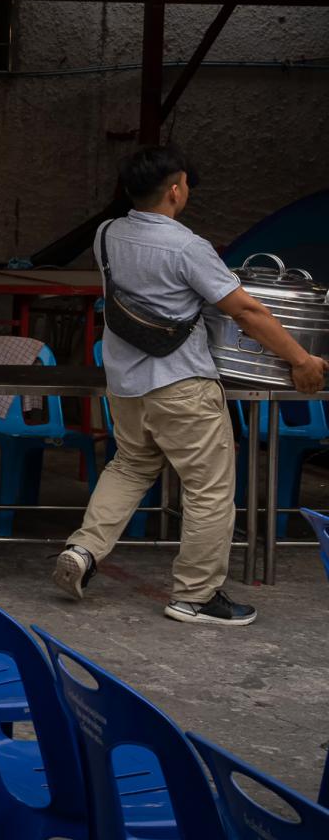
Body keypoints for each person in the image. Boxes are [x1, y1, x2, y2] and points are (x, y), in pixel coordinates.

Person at [52, 146, 326, 626]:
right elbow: (245, 310)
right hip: (180, 382)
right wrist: (300, 359)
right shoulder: (186, 247)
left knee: (131, 465)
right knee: (209, 488)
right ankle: (196, 596)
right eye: (187, 186)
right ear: (176, 188)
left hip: (126, 381)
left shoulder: (107, 234)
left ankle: (84, 549)